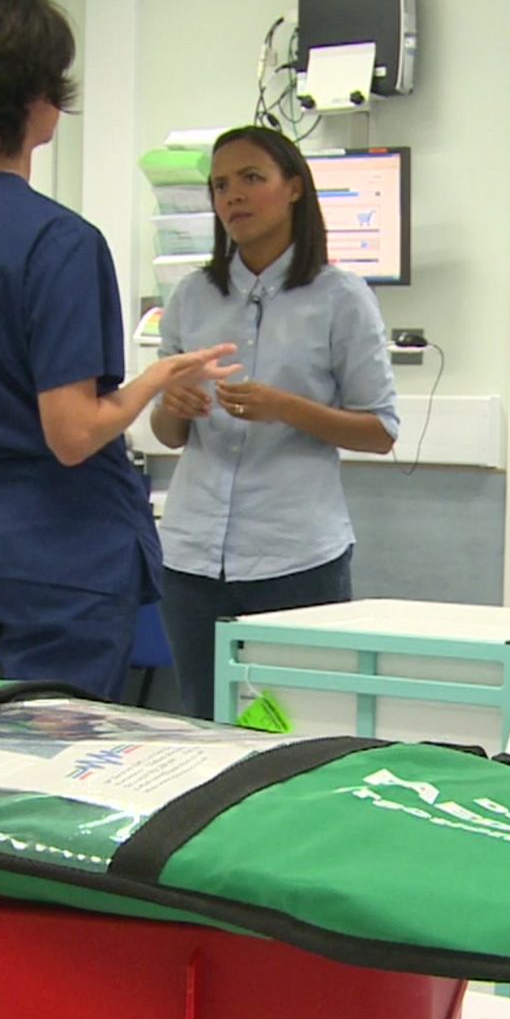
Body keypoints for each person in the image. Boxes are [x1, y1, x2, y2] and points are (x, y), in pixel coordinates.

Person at [0, 0, 237, 701]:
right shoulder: (60, 241)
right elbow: (72, 434)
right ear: (41, 95)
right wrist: (156, 382)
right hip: (58, 548)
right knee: (52, 766)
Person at [148, 126, 399, 719]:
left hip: (295, 559)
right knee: (205, 723)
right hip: (193, 556)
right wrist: (172, 406)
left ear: (292, 189)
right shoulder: (190, 297)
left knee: (299, 725)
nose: (232, 195)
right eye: (219, 185)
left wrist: (284, 407)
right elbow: (167, 434)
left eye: (251, 178)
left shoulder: (341, 296)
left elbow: (381, 430)